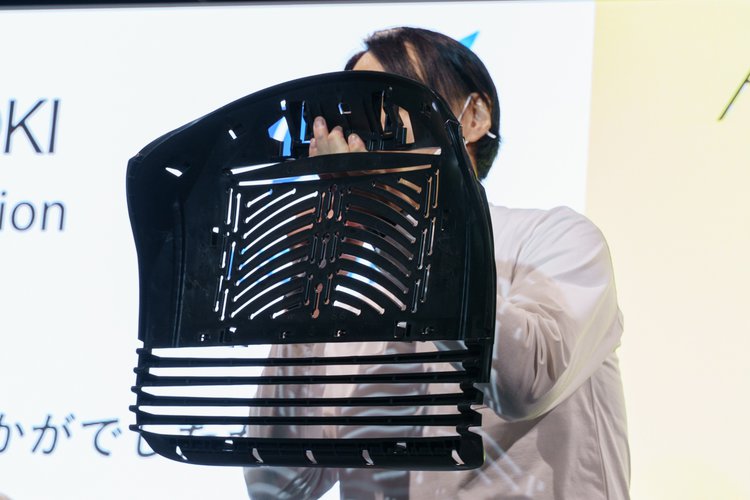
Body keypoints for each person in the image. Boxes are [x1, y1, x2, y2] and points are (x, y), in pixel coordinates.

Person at [245, 27, 629, 500]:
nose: (365, 132)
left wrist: (393, 225)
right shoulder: (347, 290)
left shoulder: (554, 239)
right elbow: (279, 485)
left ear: (474, 116)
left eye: (387, 99)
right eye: (351, 114)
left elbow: (523, 385)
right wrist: (309, 281)